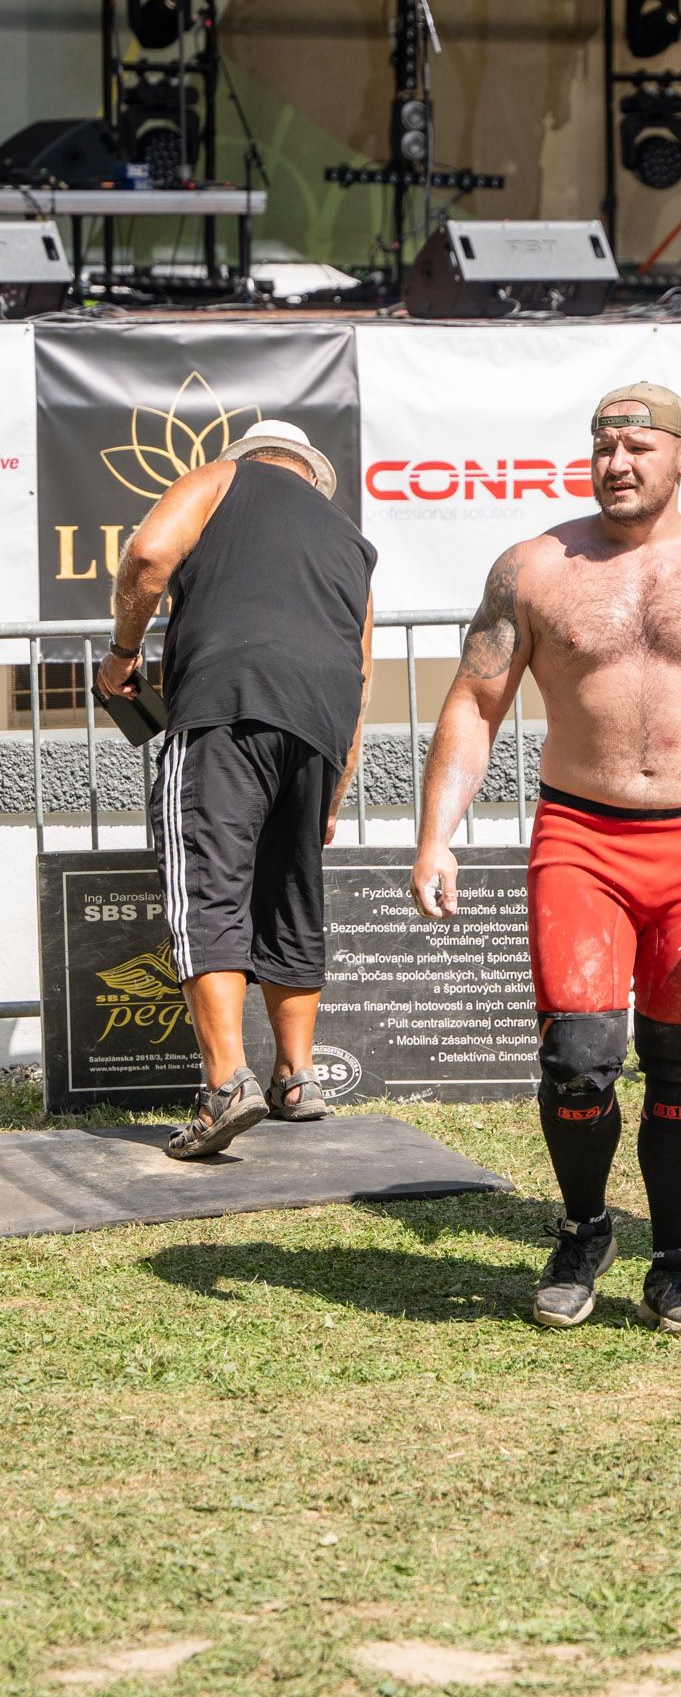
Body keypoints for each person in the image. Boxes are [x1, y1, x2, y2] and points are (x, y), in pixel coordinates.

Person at [411, 381, 681, 1337]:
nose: (616, 464)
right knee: (577, 1060)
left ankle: (675, 1265)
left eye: (638, 448)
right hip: (581, 839)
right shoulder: (534, 568)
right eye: (603, 447)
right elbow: (475, 702)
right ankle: (582, 1231)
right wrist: (436, 834)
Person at [96, 419, 375, 1160]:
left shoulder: (221, 478)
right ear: (311, 475)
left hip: (227, 703)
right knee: (291, 891)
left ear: (249, 458)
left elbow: (148, 554)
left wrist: (123, 654)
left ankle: (225, 1086)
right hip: (320, 726)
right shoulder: (351, 540)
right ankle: (297, 1078)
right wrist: (334, 794)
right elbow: (362, 673)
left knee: (207, 883)